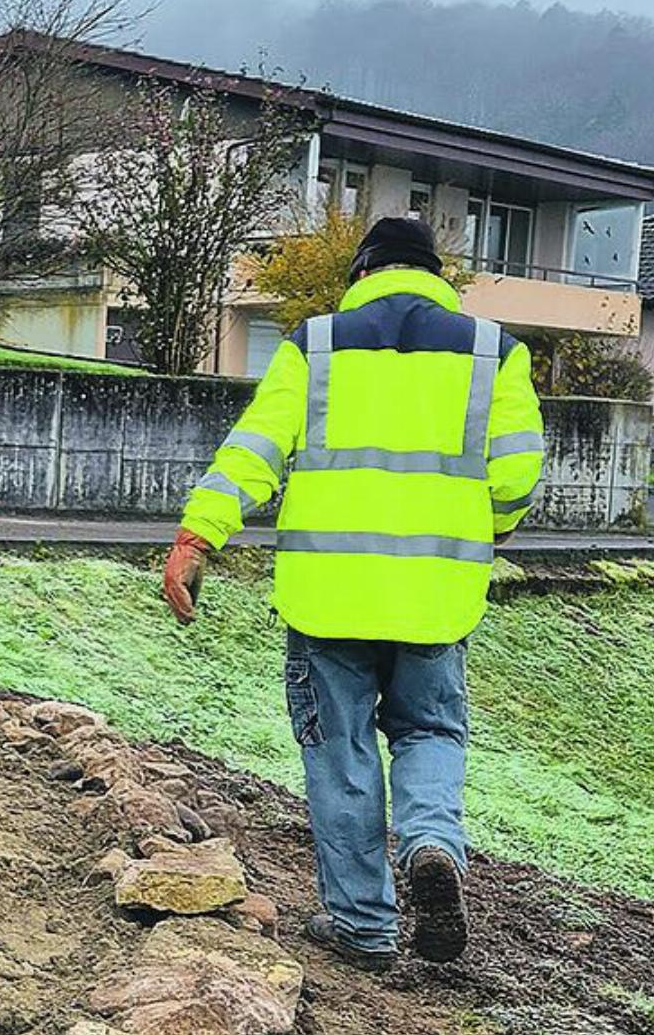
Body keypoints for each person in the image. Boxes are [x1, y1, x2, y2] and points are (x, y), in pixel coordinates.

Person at [162, 217, 543, 971]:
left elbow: (256, 449)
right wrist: (486, 531)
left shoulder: (319, 343)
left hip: (327, 592)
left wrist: (198, 535)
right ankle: (432, 842)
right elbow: (517, 475)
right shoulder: (495, 350)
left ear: (363, 273)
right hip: (437, 594)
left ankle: (363, 925)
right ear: (435, 275)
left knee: (340, 755)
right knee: (430, 732)